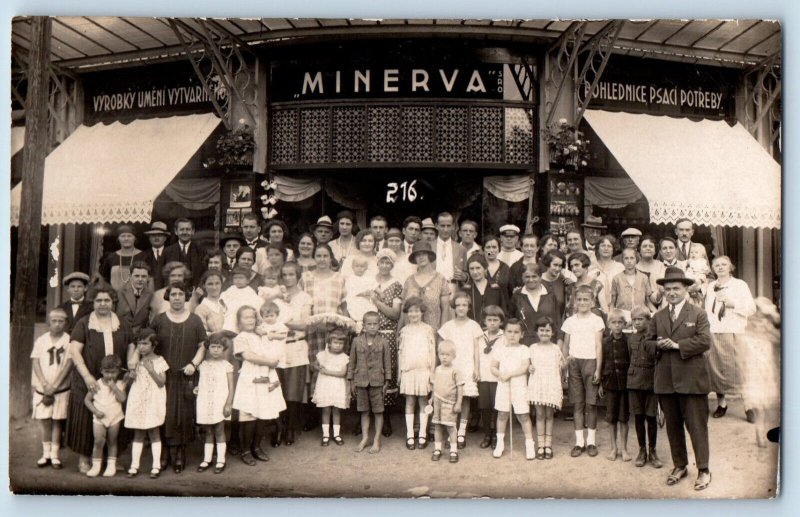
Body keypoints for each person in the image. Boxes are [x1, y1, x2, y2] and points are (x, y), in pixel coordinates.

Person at [646, 266, 713, 490]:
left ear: (686, 289)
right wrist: (657, 344)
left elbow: (705, 341)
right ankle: (680, 465)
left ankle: (703, 470)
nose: (672, 293)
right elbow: (646, 343)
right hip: (666, 382)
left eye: (676, 288)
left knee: (697, 427)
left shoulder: (698, 314)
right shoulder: (658, 316)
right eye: (668, 289)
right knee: (673, 427)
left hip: (692, 381)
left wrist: (676, 345)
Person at [65, 285, 134, 474]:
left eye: (107, 300)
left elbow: (131, 345)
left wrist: (130, 364)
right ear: (93, 302)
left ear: (113, 302)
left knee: (114, 415)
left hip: (114, 379)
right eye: (98, 300)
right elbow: (74, 351)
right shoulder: (84, 323)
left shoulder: (122, 323)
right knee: (87, 417)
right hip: (89, 378)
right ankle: (85, 458)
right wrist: (87, 376)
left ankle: (112, 459)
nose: (103, 304)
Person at [148, 281, 207, 473]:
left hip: (185, 376)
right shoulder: (159, 319)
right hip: (163, 377)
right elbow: (149, 345)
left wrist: (193, 364)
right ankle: (164, 454)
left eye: (181, 294)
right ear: (167, 297)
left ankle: (180, 454)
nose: (177, 298)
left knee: (184, 415)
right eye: (173, 295)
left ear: (186, 297)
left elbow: (202, 346)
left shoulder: (195, 320)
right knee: (164, 413)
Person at [704, 256, 756, 419]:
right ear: (713, 268)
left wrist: (733, 304)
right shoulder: (711, 286)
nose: (720, 267)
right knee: (717, 369)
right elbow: (707, 311)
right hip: (716, 331)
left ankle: (748, 406)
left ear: (730, 267)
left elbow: (751, 308)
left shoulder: (740, 285)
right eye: (717, 265)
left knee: (740, 369)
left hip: (735, 331)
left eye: (724, 264)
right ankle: (722, 404)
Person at [232, 305, 285, 465]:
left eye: (252, 317)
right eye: (245, 317)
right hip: (251, 376)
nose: (250, 320)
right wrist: (269, 361)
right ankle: (246, 449)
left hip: (266, 374)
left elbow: (277, 342)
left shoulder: (260, 335)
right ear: (239, 321)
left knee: (264, 412)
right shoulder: (240, 337)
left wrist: (273, 357)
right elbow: (248, 356)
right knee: (250, 414)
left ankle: (256, 447)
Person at [562, 285, 605, 458]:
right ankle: (579, 442)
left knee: (591, 404)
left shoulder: (596, 320)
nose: (582, 302)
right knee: (578, 403)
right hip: (574, 363)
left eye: (586, 299)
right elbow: (565, 345)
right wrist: (565, 365)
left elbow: (598, 345)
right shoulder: (570, 321)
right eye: (579, 299)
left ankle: (591, 441)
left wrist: (598, 369)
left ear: (592, 301)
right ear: (574, 301)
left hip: (591, 362)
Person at [273, 262, 313, 445]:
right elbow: (268, 320)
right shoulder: (276, 298)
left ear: (298, 276)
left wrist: (284, 323)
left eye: (292, 274)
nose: (288, 278)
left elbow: (304, 324)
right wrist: (288, 323)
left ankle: (291, 429)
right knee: (277, 389)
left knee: (293, 392)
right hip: (278, 346)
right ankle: (278, 429)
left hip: (296, 347)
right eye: (285, 275)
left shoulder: (305, 297)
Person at [437, 291, 482, 448]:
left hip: (467, 366)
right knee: (451, 399)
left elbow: (477, 349)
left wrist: (476, 368)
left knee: (465, 399)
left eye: (465, 305)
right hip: (452, 368)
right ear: (453, 308)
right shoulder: (448, 326)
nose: (461, 308)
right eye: (458, 305)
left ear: (469, 307)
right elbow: (442, 348)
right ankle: (452, 432)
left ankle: (462, 432)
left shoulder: (474, 326)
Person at [367, 248, 403, 437]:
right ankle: (364, 417)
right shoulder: (368, 281)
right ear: (377, 263)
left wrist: (377, 303)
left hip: (387, 334)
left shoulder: (396, 285)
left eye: (388, 262)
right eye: (382, 261)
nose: (385, 265)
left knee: (385, 373)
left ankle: (386, 417)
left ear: (392, 265)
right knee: (367, 371)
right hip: (367, 333)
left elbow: (395, 314)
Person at [31, 308, 72, 470]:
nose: (57, 324)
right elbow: (35, 362)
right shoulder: (41, 340)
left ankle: (55, 455)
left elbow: (68, 365)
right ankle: (45, 454)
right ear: (49, 322)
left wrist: (55, 385)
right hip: (43, 388)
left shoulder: (69, 341)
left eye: (61, 321)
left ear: (66, 323)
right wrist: (45, 384)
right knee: (45, 422)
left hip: (60, 389)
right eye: (54, 321)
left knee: (57, 422)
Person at [124, 329, 168, 479]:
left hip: (153, 400)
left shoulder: (159, 360)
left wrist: (151, 370)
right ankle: (134, 466)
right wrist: (131, 376)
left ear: (154, 345)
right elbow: (129, 384)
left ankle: (156, 466)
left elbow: (162, 382)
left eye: (145, 343)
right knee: (138, 433)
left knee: (154, 432)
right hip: (138, 400)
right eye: (139, 344)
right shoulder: (135, 362)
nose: (141, 347)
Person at [491, 318, 535, 460]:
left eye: (516, 332)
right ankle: (500, 443)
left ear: (521, 334)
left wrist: (510, 374)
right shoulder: (499, 349)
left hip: (519, 386)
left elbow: (524, 367)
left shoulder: (524, 349)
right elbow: (492, 367)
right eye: (509, 331)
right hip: (503, 384)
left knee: (523, 415)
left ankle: (529, 444)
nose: (512, 335)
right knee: (502, 414)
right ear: (504, 333)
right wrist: (500, 374)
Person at [348, 312, 391, 453]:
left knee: (378, 412)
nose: (372, 327)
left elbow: (387, 363)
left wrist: (387, 380)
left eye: (375, 324)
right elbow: (352, 362)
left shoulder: (383, 342)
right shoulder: (356, 341)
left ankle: (377, 440)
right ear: (364, 326)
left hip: (377, 381)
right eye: (369, 324)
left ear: (379, 325)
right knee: (364, 411)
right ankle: (365, 438)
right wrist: (351, 381)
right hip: (361, 381)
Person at [398, 297, 436, 451]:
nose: (414, 314)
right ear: (407, 313)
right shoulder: (404, 330)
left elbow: (432, 353)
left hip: (423, 371)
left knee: (423, 402)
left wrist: (432, 373)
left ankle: (422, 434)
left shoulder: (428, 329)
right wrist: (400, 374)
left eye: (417, 311)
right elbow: (401, 353)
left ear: (422, 312)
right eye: (411, 311)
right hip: (409, 371)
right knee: (409, 402)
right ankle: (409, 434)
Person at [626, 306, 661, 468]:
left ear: (648, 320)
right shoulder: (630, 339)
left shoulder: (655, 337)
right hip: (634, 382)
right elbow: (629, 357)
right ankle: (642, 450)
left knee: (651, 417)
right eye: (634, 320)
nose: (637, 322)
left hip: (651, 381)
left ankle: (652, 450)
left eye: (640, 319)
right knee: (638, 417)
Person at [195, 331, 236, 474]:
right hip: (206, 401)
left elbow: (231, 386)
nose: (216, 350)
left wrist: (228, 404)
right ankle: (207, 459)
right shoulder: (203, 365)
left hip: (220, 401)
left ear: (224, 349)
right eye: (213, 347)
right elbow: (202, 382)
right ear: (208, 348)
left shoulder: (227, 365)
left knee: (219, 430)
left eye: (219, 347)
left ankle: (220, 460)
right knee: (208, 431)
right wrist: (197, 388)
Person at [527, 316, 565, 460]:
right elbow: (528, 365)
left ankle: (548, 445)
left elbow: (561, 367)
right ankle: (540, 445)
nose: (544, 333)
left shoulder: (556, 349)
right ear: (537, 332)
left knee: (549, 415)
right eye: (541, 330)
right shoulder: (532, 348)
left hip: (551, 385)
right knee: (540, 415)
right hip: (538, 385)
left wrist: (567, 362)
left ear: (553, 332)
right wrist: (529, 367)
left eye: (547, 330)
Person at [83, 355, 127, 477]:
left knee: (112, 441)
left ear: (118, 371)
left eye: (113, 372)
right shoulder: (96, 384)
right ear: (101, 370)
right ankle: (96, 466)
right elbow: (87, 400)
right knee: (98, 441)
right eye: (107, 372)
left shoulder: (120, 383)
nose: (109, 376)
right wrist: (95, 411)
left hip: (115, 416)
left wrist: (114, 387)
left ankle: (111, 465)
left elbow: (122, 399)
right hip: (99, 417)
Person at [599, 309, 631, 462]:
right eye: (614, 322)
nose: (617, 326)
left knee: (623, 418)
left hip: (625, 385)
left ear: (625, 324)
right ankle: (613, 448)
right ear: (608, 324)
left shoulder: (628, 341)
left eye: (620, 322)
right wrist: (600, 384)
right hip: (609, 384)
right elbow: (602, 363)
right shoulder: (604, 342)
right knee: (611, 418)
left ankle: (624, 448)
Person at [401, 240, 451, 330]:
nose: (421, 257)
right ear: (415, 258)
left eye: (424, 254)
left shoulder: (440, 279)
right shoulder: (409, 281)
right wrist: (399, 331)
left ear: (429, 256)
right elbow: (403, 310)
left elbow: (445, 310)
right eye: (418, 255)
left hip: (433, 331)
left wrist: (442, 334)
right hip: (411, 332)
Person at [312, 328, 350, 446]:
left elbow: (342, 373)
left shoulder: (344, 357)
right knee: (326, 409)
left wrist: (327, 371)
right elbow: (314, 364)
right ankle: (325, 435)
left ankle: (337, 434)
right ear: (329, 343)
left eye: (341, 343)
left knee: (336, 410)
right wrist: (319, 367)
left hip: (337, 386)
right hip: (325, 385)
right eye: (335, 343)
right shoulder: (323, 354)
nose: (338, 346)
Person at [509, 262, 562, 346]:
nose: (531, 280)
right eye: (527, 277)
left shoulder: (550, 295)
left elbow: (558, 321)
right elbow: (511, 321)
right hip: (524, 344)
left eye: (534, 276)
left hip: (548, 344)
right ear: (522, 278)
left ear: (540, 277)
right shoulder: (517, 296)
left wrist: (559, 341)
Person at [429, 340, 464, 464]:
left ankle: (453, 450)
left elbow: (460, 387)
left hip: (449, 403)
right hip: (438, 402)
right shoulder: (437, 370)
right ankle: (437, 449)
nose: (444, 357)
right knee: (437, 426)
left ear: (453, 356)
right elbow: (435, 386)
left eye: (447, 355)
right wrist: (432, 399)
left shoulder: (455, 371)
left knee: (451, 427)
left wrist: (459, 402)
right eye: (442, 354)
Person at [477, 305, 505, 449]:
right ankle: (487, 433)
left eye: (496, 320)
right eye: (489, 320)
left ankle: (496, 436)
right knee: (485, 407)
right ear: (484, 321)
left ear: (501, 322)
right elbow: (477, 356)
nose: (492, 323)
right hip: (483, 376)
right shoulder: (480, 336)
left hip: (497, 377)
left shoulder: (504, 337)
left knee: (497, 407)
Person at [610, 248, 655, 321]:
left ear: (636, 260)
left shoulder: (644, 278)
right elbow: (613, 302)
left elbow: (648, 301)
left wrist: (657, 313)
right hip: (623, 316)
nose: (629, 261)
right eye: (626, 258)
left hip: (640, 315)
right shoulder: (617, 278)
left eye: (632, 258)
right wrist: (611, 315)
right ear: (622, 261)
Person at [462, 253, 509, 322]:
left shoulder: (495, 289)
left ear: (485, 269)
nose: (475, 272)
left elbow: (504, 314)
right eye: (471, 269)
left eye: (478, 268)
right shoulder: (465, 290)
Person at [220, 266, 263, 333]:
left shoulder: (250, 291)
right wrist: (224, 308)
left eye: (241, 278)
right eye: (235, 278)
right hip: (231, 314)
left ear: (248, 280)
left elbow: (256, 303)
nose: (238, 280)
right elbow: (222, 299)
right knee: (229, 325)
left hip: (243, 315)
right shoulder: (231, 289)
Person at [164, 218, 206, 287]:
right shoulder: (167, 251)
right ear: (176, 231)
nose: (185, 232)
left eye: (188, 229)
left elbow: (204, 274)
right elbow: (162, 277)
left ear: (193, 231)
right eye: (182, 229)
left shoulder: (201, 250)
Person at [99, 225, 142, 292]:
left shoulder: (143, 256)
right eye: (123, 236)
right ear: (118, 239)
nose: (126, 239)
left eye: (129, 236)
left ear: (135, 238)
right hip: (116, 297)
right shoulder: (111, 257)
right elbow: (104, 279)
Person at [115, 261, 153, 334]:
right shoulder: (118, 293)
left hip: (140, 338)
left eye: (144, 276)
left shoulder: (151, 296)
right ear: (130, 276)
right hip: (120, 335)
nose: (140, 279)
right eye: (137, 276)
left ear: (148, 278)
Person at [565, 251, 606, 318]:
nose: (574, 269)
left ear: (585, 265)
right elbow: (567, 311)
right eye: (572, 266)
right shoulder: (570, 287)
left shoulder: (597, 285)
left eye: (577, 265)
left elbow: (604, 310)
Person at [344, 255, 378, 331]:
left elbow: (375, 286)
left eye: (362, 266)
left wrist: (380, 292)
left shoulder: (369, 278)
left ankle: (367, 324)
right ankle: (359, 324)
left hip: (366, 300)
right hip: (356, 299)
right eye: (357, 266)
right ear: (352, 267)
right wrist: (363, 293)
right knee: (356, 311)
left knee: (370, 309)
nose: (359, 268)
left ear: (366, 268)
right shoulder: (350, 278)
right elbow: (351, 291)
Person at [434, 212, 467, 285]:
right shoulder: (429, 247)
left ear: (453, 226)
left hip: (453, 288)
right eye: (442, 226)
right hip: (433, 289)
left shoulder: (461, 249)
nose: (445, 229)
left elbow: (466, 273)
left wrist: (464, 277)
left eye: (448, 226)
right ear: (436, 226)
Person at [135, 221, 170, 290]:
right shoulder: (142, 256)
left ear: (165, 238)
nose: (156, 238)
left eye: (160, 235)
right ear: (149, 238)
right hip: (147, 292)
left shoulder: (171, 253)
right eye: (153, 235)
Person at [594, 235, 625, 311]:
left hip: (616, 307)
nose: (606, 248)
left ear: (613, 249)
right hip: (596, 308)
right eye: (603, 245)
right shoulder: (592, 267)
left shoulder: (620, 267)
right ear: (598, 249)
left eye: (609, 246)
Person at [635, 235, 666, 312]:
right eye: (645, 246)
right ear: (639, 250)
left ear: (655, 250)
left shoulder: (661, 266)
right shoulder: (634, 268)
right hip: (639, 305)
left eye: (651, 246)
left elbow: (662, 288)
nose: (648, 248)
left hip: (660, 303)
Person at [540, 250, 571, 319]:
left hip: (558, 323)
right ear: (548, 264)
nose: (557, 269)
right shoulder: (538, 281)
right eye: (555, 265)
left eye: (560, 266)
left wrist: (571, 285)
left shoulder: (563, 280)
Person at [482, 236, 512, 300]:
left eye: (494, 247)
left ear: (499, 249)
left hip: (502, 306)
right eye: (488, 247)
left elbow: (510, 291)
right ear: (483, 249)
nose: (491, 250)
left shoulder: (505, 268)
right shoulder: (478, 267)